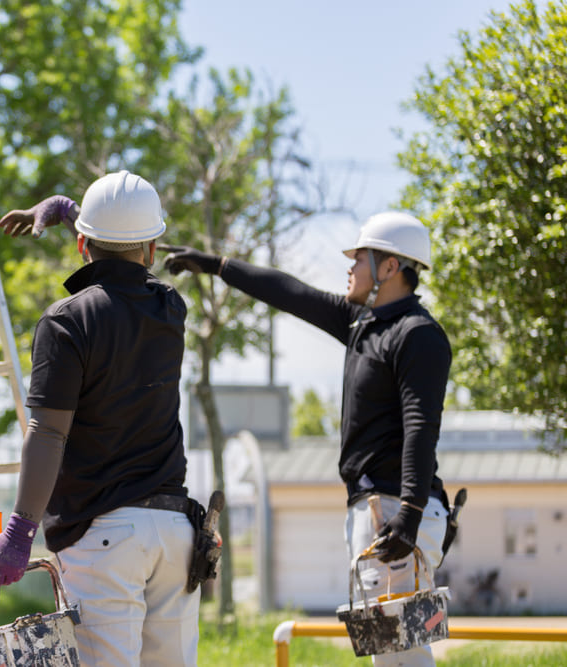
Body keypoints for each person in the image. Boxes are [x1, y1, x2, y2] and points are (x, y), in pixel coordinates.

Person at [162, 212, 451, 666]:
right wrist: (218, 265)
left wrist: (411, 513)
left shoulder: (417, 334)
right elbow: (292, 292)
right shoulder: (362, 323)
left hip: (398, 508)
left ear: (391, 267)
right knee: (391, 657)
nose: (350, 267)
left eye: (360, 258)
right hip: (380, 506)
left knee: (402, 658)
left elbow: (421, 426)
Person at [0, 171, 200, 666]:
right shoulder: (171, 309)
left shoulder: (66, 321)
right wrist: (68, 210)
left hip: (105, 539)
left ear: (82, 244)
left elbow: (49, 431)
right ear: (152, 246)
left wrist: (19, 532)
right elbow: (128, 252)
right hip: (174, 531)